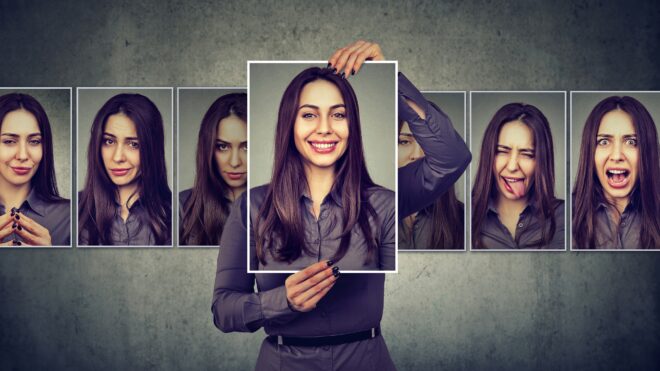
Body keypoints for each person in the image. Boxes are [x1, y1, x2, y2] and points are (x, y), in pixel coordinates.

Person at [212, 41, 471, 370]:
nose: (324, 128)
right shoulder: (253, 206)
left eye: (338, 115)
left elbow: (453, 157)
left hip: (366, 360)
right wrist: (279, 302)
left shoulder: (384, 203)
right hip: (283, 362)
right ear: (289, 125)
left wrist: (393, 80)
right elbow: (223, 309)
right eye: (309, 115)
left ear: (353, 126)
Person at [78, 93, 172, 246]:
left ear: (152, 149)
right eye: (109, 141)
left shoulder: (177, 214)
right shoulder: (72, 212)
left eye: (133, 144)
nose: (117, 157)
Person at [472, 102, 564, 249]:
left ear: (541, 161)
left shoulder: (564, 217)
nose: (512, 166)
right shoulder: (465, 217)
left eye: (527, 154)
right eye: (502, 151)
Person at [573, 95, 659, 249]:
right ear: (590, 152)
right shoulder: (565, 218)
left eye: (631, 142)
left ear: (646, 151)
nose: (617, 156)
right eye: (604, 142)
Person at [0, 92, 70, 247]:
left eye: (34, 141)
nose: (23, 155)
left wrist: (50, 258)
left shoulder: (71, 216)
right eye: (9, 141)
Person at [179, 92, 247, 246]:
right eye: (222, 147)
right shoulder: (180, 206)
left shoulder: (278, 206)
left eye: (246, 147)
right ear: (208, 148)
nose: (235, 162)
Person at [397, 105, 465, 250]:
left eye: (428, 144)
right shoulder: (376, 213)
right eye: (404, 142)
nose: (417, 155)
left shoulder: (466, 219)